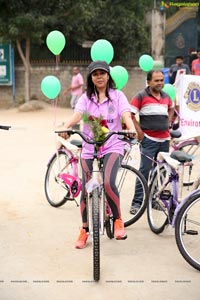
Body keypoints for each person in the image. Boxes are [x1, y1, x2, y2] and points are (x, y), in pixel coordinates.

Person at [59, 60, 136, 249]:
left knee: (109, 182)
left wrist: (131, 128)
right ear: (91, 78)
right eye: (95, 74)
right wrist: (66, 126)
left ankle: (118, 219)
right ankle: (84, 230)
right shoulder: (85, 98)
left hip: (112, 145)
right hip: (89, 147)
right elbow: (77, 116)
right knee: (85, 190)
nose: (99, 76)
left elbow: (126, 115)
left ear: (108, 75)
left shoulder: (118, 96)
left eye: (102, 73)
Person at [130, 70, 174, 214]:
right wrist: (140, 133)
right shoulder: (141, 96)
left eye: (162, 80)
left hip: (164, 141)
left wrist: (168, 124)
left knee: (160, 172)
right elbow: (130, 115)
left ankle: (154, 200)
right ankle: (137, 203)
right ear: (148, 82)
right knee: (144, 171)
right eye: (157, 80)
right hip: (149, 141)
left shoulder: (166, 97)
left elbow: (172, 108)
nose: (160, 83)